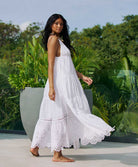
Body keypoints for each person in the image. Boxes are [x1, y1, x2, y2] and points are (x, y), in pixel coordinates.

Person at [30, 14, 115, 162]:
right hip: (58, 84)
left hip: (66, 83)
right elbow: (51, 64)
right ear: (50, 25)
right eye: (56, 23)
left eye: (61, 24)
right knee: (59, 115)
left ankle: (35, 146)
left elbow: (66, 66)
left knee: (51, 115)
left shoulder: (60, 41)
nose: (59, 26)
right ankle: (57, 154)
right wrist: (51, 88)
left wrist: (82, 76)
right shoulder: (53, 39)